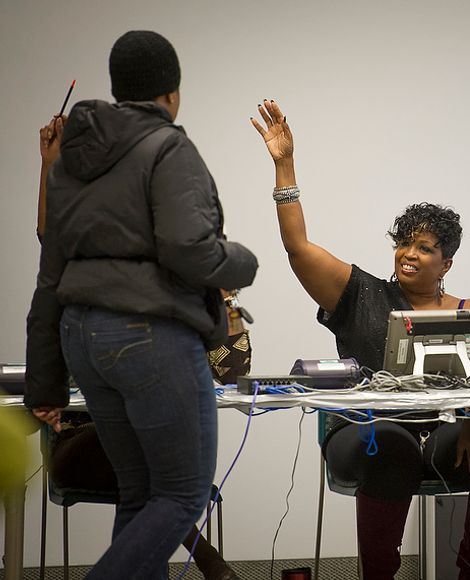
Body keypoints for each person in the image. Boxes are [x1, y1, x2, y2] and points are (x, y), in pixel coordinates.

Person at [251, 99, 470, 580]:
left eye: (424, 247)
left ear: (447, 263)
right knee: (392, 445)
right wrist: (284, 166)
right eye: (403, 243)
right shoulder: (361, 294)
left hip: (441, 433)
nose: (408, 254)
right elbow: (298, 248)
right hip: (364, 432)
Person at [25, 30, 258, 579]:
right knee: (182, 495)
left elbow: (50, 275)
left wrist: (45, 382)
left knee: (141, 493)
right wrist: (243, 261)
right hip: (149, 337)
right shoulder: (167, 146)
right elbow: (188, 250)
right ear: (172, 93)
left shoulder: (70, 163)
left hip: (83, 340)